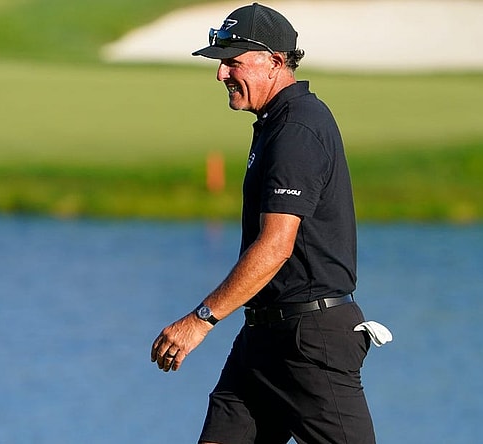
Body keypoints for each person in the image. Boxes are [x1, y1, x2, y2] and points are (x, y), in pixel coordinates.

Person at [150, 3, 376, 443]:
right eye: (221, 63)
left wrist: (200, 320)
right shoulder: (275, 122)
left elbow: (276, 247)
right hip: (263, 336)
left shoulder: (298, 128)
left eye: (233, 62)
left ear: (274, 61)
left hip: (309, 341)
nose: (221, 75)